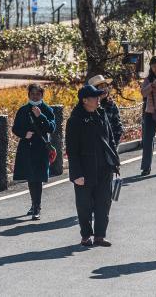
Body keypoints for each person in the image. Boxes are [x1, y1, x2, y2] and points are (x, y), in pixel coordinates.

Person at [65, 84, 120, 247]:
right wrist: (76, 174)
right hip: (84, 169)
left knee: (104, 203)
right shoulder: (75, 120)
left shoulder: (101, 114)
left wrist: (114, 161)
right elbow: (71, 150)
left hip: (104, 167)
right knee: (84, 205)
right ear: (84, 100)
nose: (98, 99)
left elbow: (110, 139)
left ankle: (100, 236)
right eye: (95, 97)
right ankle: (86, 235)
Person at [11, 83, 56, 221]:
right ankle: (34, 204)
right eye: (32, 94)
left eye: (38, 94)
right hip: (27, 147)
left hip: (41, 148)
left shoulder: (47, 109)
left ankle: (37, 207)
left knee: (38, 177)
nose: (35, 96)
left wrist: (40, 116)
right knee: (31, 177)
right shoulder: (23, 110)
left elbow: (51, 128)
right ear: (28, 95)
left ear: (42, 95)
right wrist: (24, 134)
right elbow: (15, 128)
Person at [88, 75, 123, 152]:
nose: (105, 89)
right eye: (101, 87)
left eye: (106, 86)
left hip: (110, 145)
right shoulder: (88, 106)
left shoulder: (111, 105)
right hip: (93, 148)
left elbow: (118, 127)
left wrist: (114, 145)